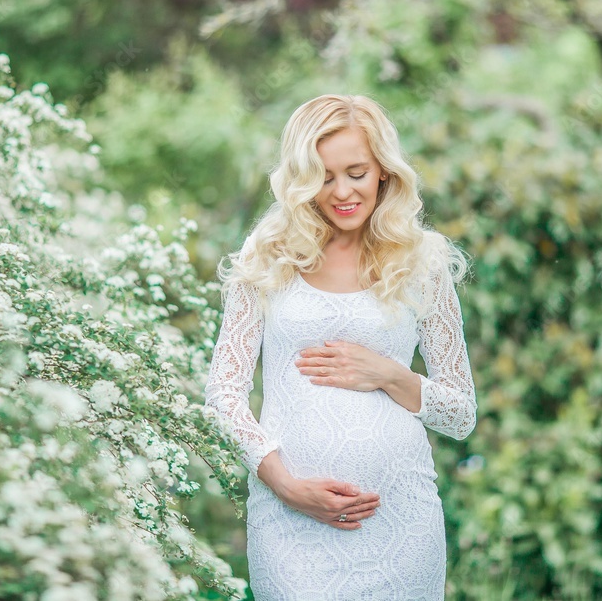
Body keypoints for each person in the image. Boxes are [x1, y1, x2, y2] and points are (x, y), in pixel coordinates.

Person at [204, 93, 476, 600]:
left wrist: (389, 374)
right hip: (290, 526)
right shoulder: (267, 256)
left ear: (384, 171)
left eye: (356, 172)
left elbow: (460, 415)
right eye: (324, 176)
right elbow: (223, 396)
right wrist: (285, 485)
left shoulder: (422, 262)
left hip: (402, 524)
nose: (343, 191)